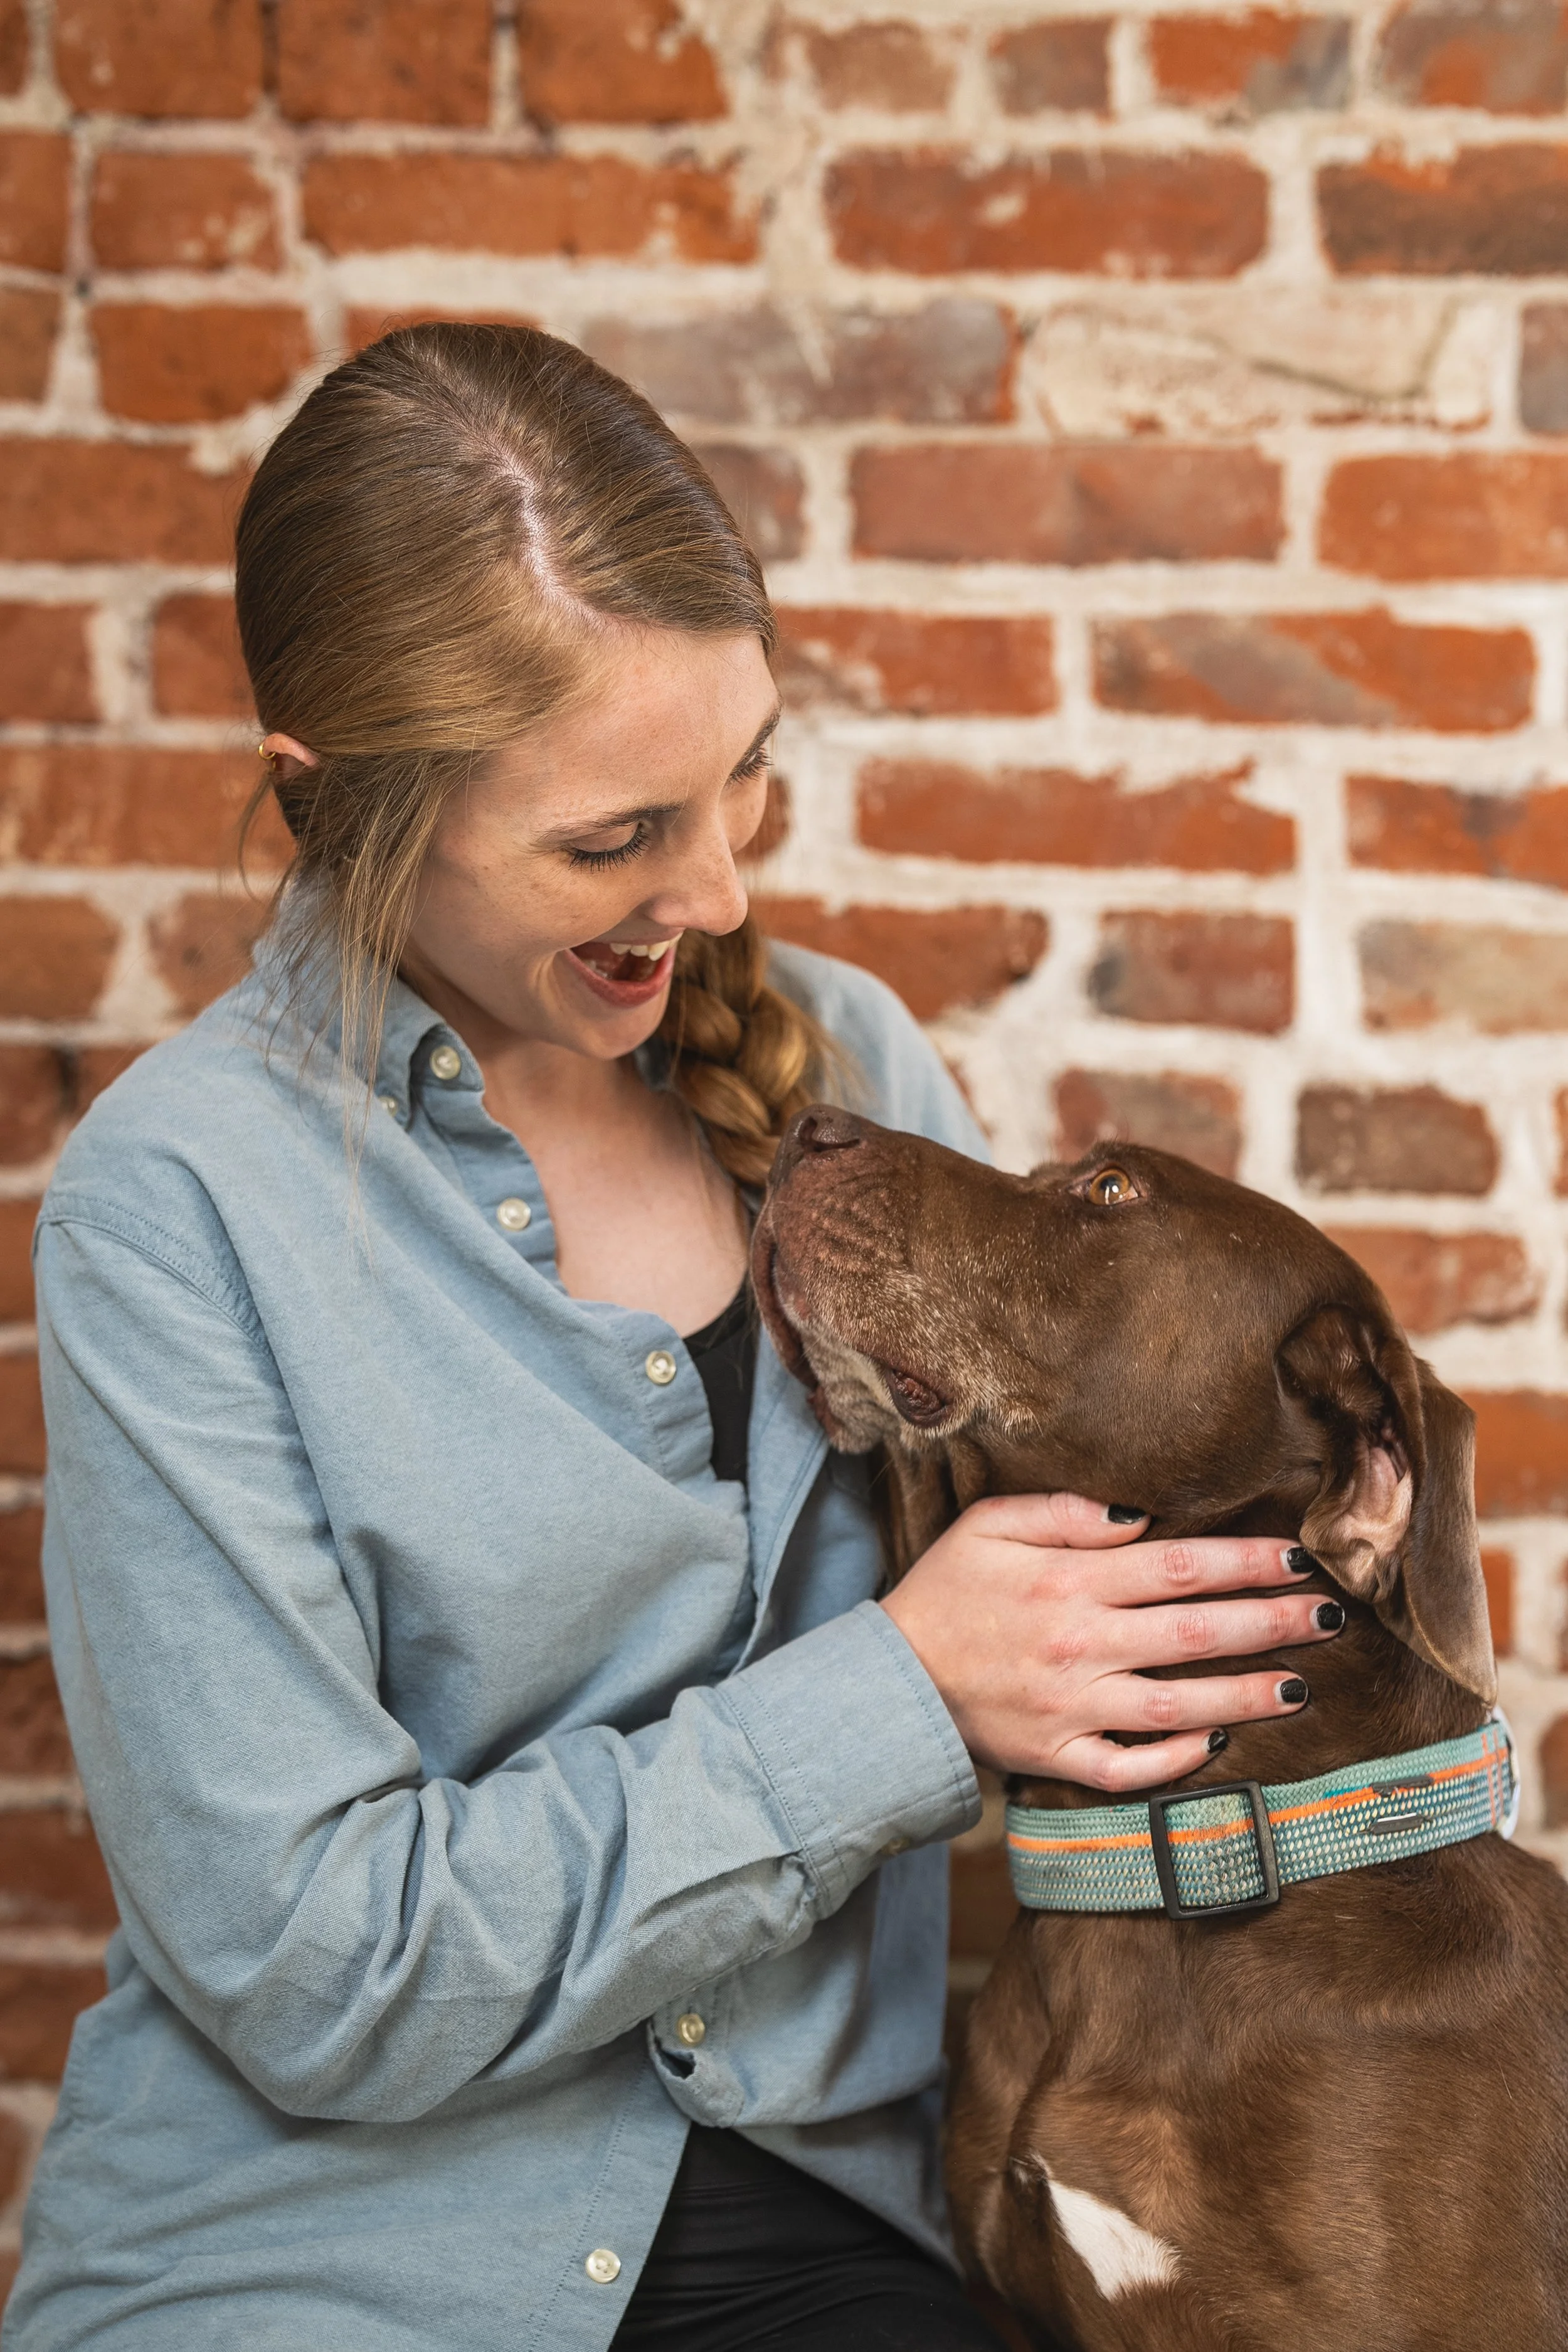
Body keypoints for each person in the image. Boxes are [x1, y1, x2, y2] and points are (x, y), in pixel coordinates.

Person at [7, 326, 1339, 2352]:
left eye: (741, 781)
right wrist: (896, 1693)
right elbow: (314, 1965)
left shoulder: (854, 1087)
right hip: (312, 2261)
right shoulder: (173, 1208)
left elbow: (1120, 1621)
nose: (714, 892)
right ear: (334, 806)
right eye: (614, 837)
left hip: (829, 2231)